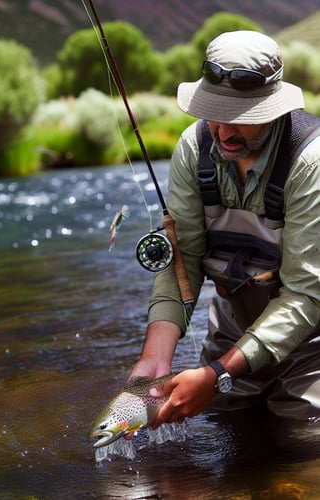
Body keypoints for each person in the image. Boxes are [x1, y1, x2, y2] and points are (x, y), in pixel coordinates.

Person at [128, 30, 320, 427]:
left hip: (314, 339)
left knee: (301, 444)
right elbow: (184, 259)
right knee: (223, 428)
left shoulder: (311, 162)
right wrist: (155, 357)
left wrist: (216, 376)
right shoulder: (193, 149)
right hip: (236, 329)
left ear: (274, 109)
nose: (225, 132)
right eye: (215, 113)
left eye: (242, 120)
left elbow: (305, 294)